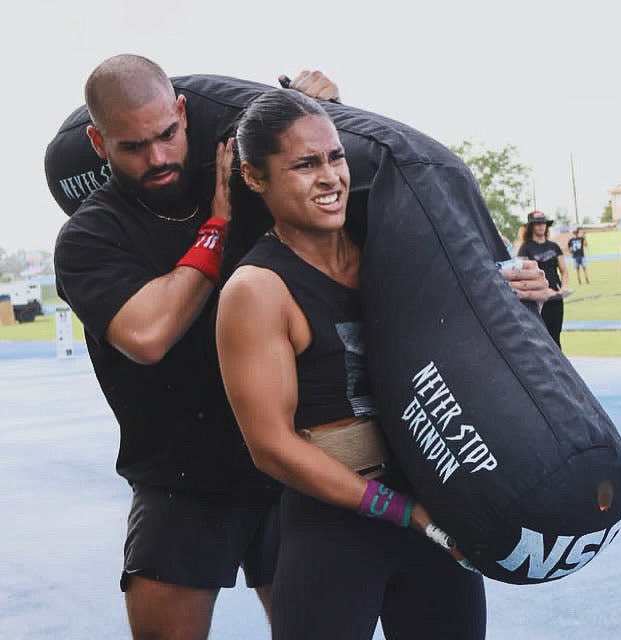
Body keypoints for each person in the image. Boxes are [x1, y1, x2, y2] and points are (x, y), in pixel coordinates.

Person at [216, 89, 549, 640]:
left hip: (440, 514)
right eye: (305, 165)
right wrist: (406, 512)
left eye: (336, 157)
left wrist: (527, 305)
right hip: (336, 534)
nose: (330, 177)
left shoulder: (396, 248)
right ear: (254, 176)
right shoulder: (258, 290)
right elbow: (271, 447)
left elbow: (483, 364)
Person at [53, 54, 340, 640]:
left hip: (289, 463)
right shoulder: (90, 235)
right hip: (179, 478)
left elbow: (339, 198)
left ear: (183, 112)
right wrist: (216, 227)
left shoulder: (253, 180)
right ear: (98, 142)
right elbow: (148, 335)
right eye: (133, 147)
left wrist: (323, 112)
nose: (157, 157)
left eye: (166, 134)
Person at [518, 210, 569, 348]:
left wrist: (564, 287)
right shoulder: (525, 248)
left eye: (543, 223)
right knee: (543, 337)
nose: (541, 226)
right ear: (531, 227)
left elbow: (564, 271)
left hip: (555, 297)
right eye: (537, 224)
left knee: (556, 335)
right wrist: (542, 291)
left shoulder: (554, 247)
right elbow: (523, 274)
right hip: (538, 300)